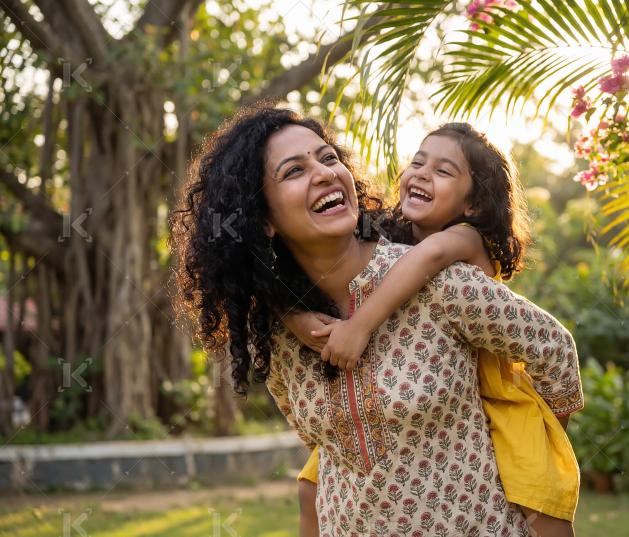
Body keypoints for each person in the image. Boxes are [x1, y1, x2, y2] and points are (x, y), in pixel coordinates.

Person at [172, 103, 583, 536]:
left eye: (328, 158)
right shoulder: (283, 333)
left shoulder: (438, 283)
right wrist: (285, 309)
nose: (325, 173)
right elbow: (320, 445)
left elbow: (554, 352)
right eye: (294, 171)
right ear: (264, 220)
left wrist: (528, 449)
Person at [286, 124, 581, 536]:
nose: (421, 174)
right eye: (417, 162)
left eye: (443, 172)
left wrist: (549, 424)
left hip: (494, 398)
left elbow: (427, 259)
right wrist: (293, 316)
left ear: (474, 204)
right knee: (309, 486)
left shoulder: (463, 238)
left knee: (537, 495)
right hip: (399, 420)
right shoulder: (389, 238)